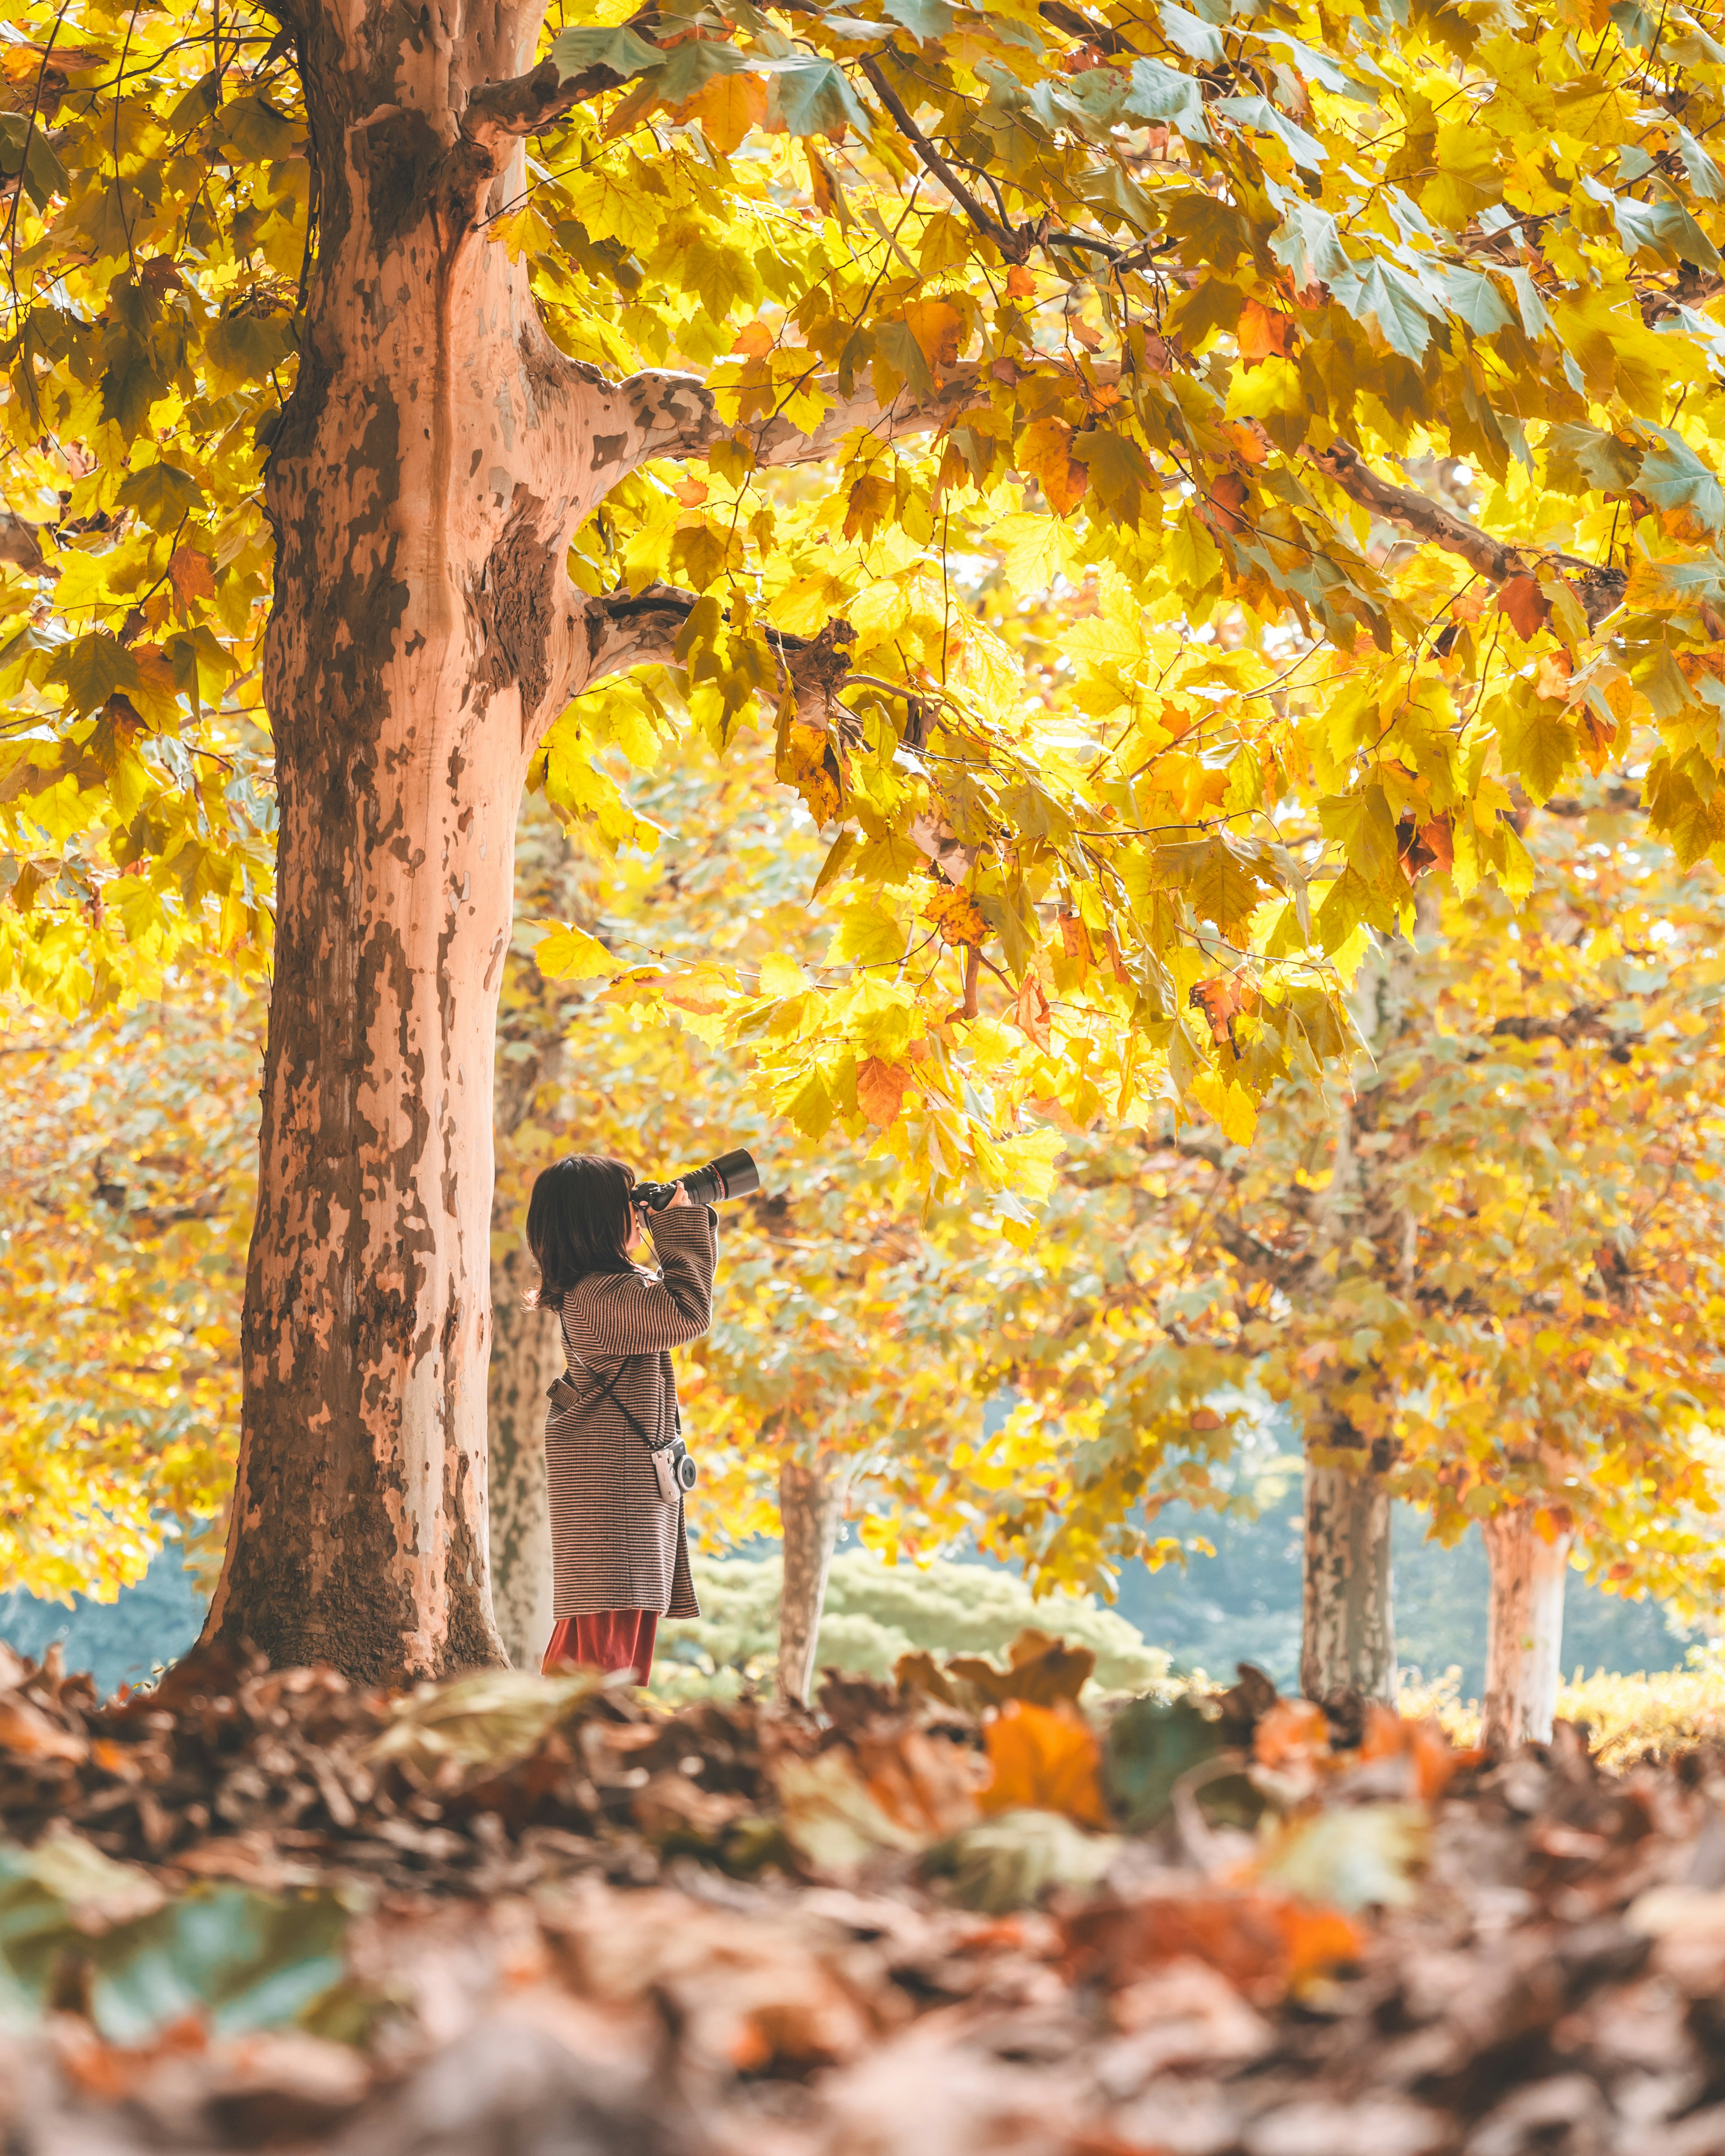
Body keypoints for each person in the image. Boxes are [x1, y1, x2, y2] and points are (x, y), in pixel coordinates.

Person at [524, 1153, 717, 1684]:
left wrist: (683, 1221)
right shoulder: (599, 1296)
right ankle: (580, 1750)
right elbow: (687, 1312)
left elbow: (673, 1295)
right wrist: (678, 1220)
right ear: (595, 1218)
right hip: (615, 1493)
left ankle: (573, 1745)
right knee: (605, 1655)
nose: (637, 1211)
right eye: (627, 1202)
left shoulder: (606, 1289)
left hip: (620, 1488)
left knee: (601, 1638)